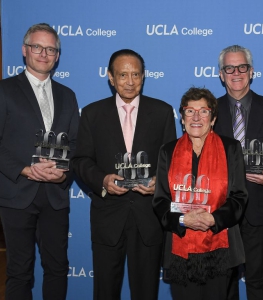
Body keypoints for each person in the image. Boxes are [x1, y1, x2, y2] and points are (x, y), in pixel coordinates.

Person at [0, 23, 79, 299]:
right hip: (16, 193)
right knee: (20, 271)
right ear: (25, 50)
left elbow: (75, 144)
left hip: (55, 195)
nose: (43, 54)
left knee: (57, 267)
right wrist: (24, 170)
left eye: (50, 49)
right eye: (37, 47)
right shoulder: (3, 90)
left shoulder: (67, 96)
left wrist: (63, 174)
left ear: (57, 55)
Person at [72, 49, 176, 300]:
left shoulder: (162, 112)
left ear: (144, 76)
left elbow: (171, 161)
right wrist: (102, 180)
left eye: (136, 74)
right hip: (108, 216)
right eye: (122, 75)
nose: (130, 81)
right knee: (105, 292)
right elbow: (80, 160)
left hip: (148, 216)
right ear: (110, 77)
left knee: (146, 292)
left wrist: (158, 183)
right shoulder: (92, 113)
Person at [153, 87, 248, 300]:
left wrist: (213, 218)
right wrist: (183, 219)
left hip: (221, 248)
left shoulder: (231, 148)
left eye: (204, 111)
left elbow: (239, 197)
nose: (196, 117)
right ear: (182, 117)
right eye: (190, 111)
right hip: (180, 247)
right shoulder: (167, 151)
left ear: (213, 118)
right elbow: (160, 200)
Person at [213, 45, 263, 300]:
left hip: (260, 209)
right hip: (219, 210)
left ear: (251, 71)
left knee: (258, 281)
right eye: (229, 68)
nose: (236, 72)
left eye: (242, 67)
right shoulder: (207, 111)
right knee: (223, 281)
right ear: (221, 74)